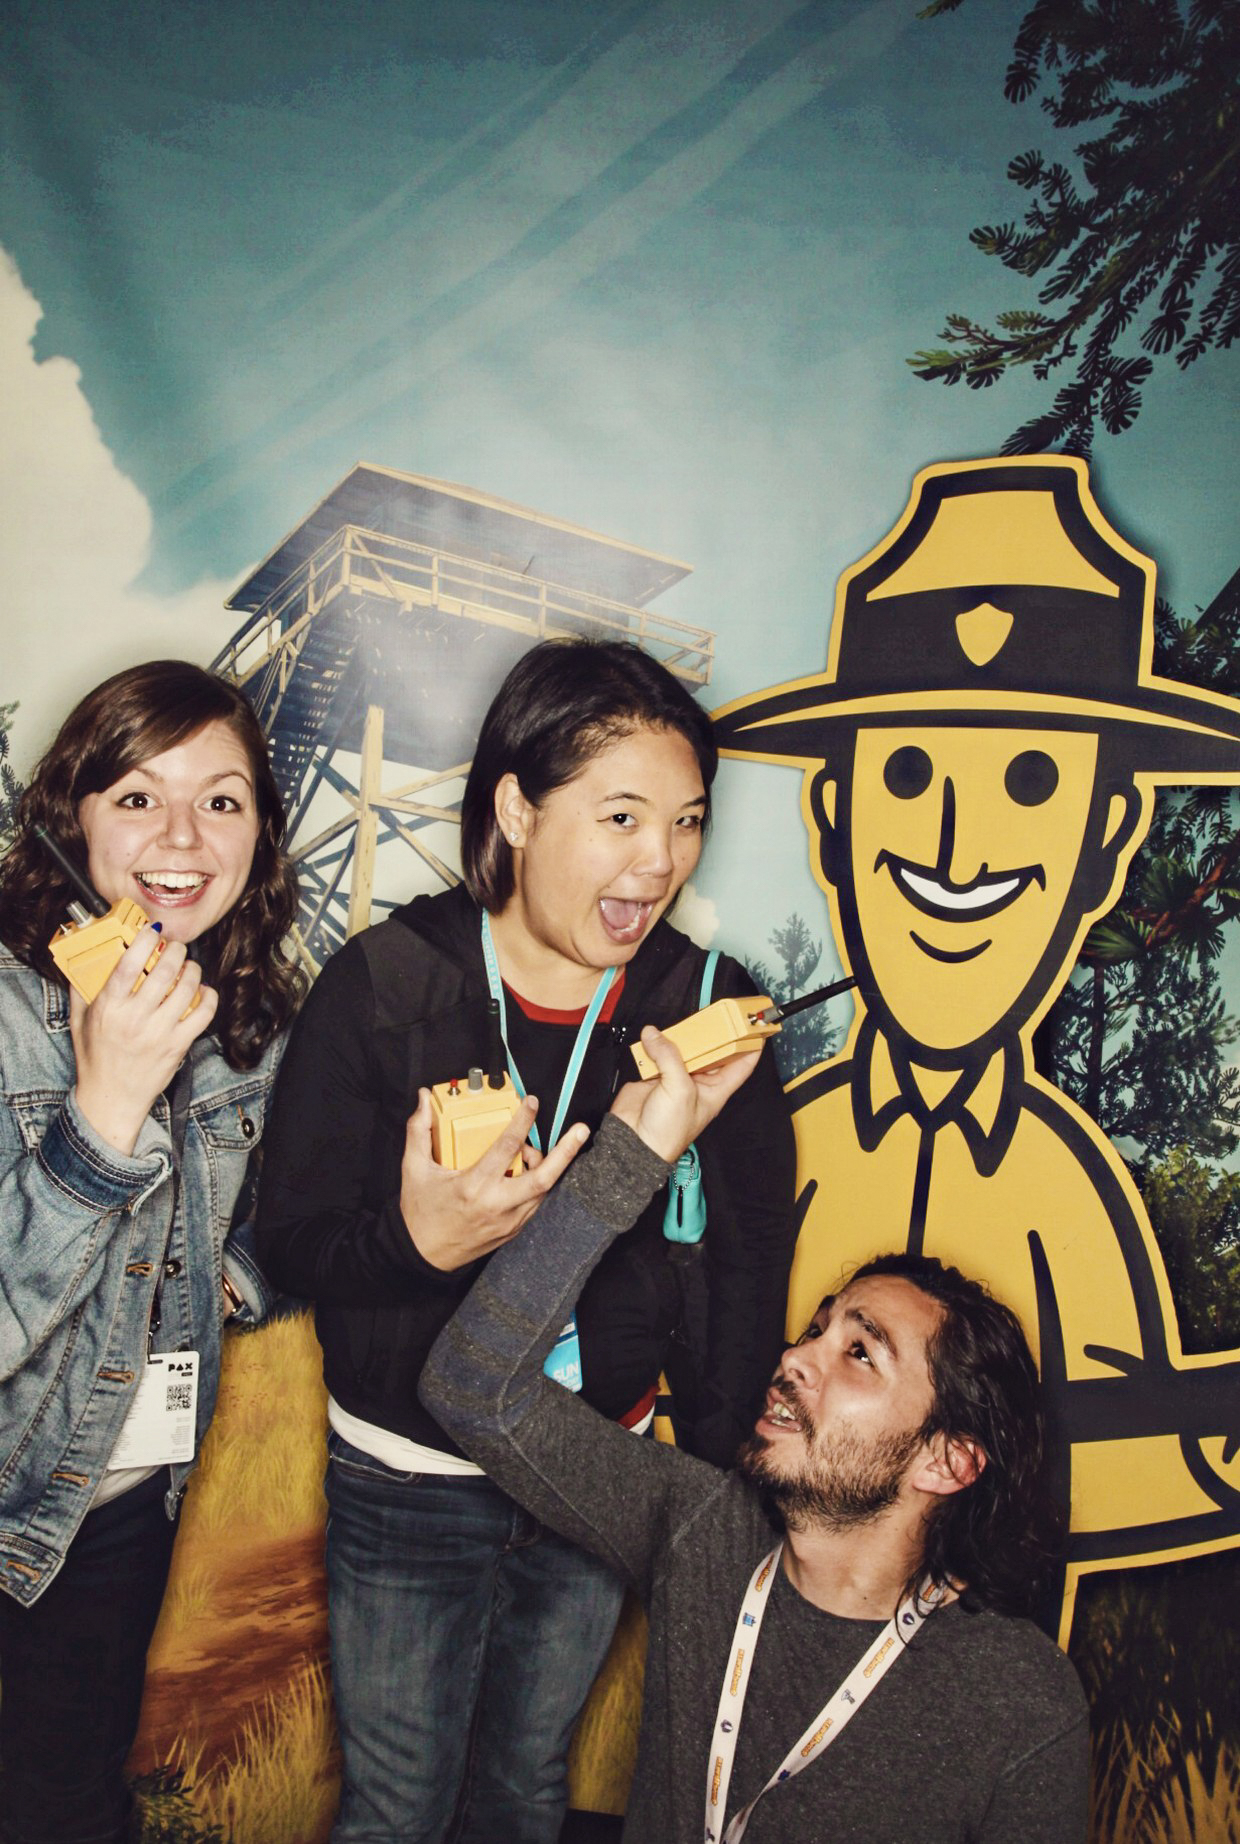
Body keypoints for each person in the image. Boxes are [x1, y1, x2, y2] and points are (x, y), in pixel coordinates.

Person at [257, 637, 796, 1843]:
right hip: (407, 1475)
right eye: (621, 816)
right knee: (397, 1807)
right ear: (515, 808)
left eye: (687, 822)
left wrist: (715, 1486)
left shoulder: (707, 1004)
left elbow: (751, 1254)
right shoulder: (383, 983)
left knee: (522, 1795)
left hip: (599, 1477)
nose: (659, 860)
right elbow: (289, 1242)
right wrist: (414, 1242)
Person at [712, 455, 1240, 1637]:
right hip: (749, 1641)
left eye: (1030, 778)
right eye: (908, 772)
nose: (957, 844)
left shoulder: (1059, 1184)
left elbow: (1128, 1470)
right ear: (835, 812)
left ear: (1106, 833)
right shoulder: (783, 1135)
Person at [422, 1025, 1090, 1843]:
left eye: (859, 1353)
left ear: (948, 1461)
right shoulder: (704, 1529)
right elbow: (471, 1387)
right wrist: (633, 1156)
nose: (795, 1359)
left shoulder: (1021, 1705)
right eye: (816, 1330)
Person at [0, 659, 303, 1844]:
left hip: (120, 1504)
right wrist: (104, 1109)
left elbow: (289, 1220)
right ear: (70, 817)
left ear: (259, 834)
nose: (182, 837)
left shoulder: (251, 1027)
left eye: (220, 800)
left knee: (67, 1805)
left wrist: (230, 1280)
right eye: (137, 796)